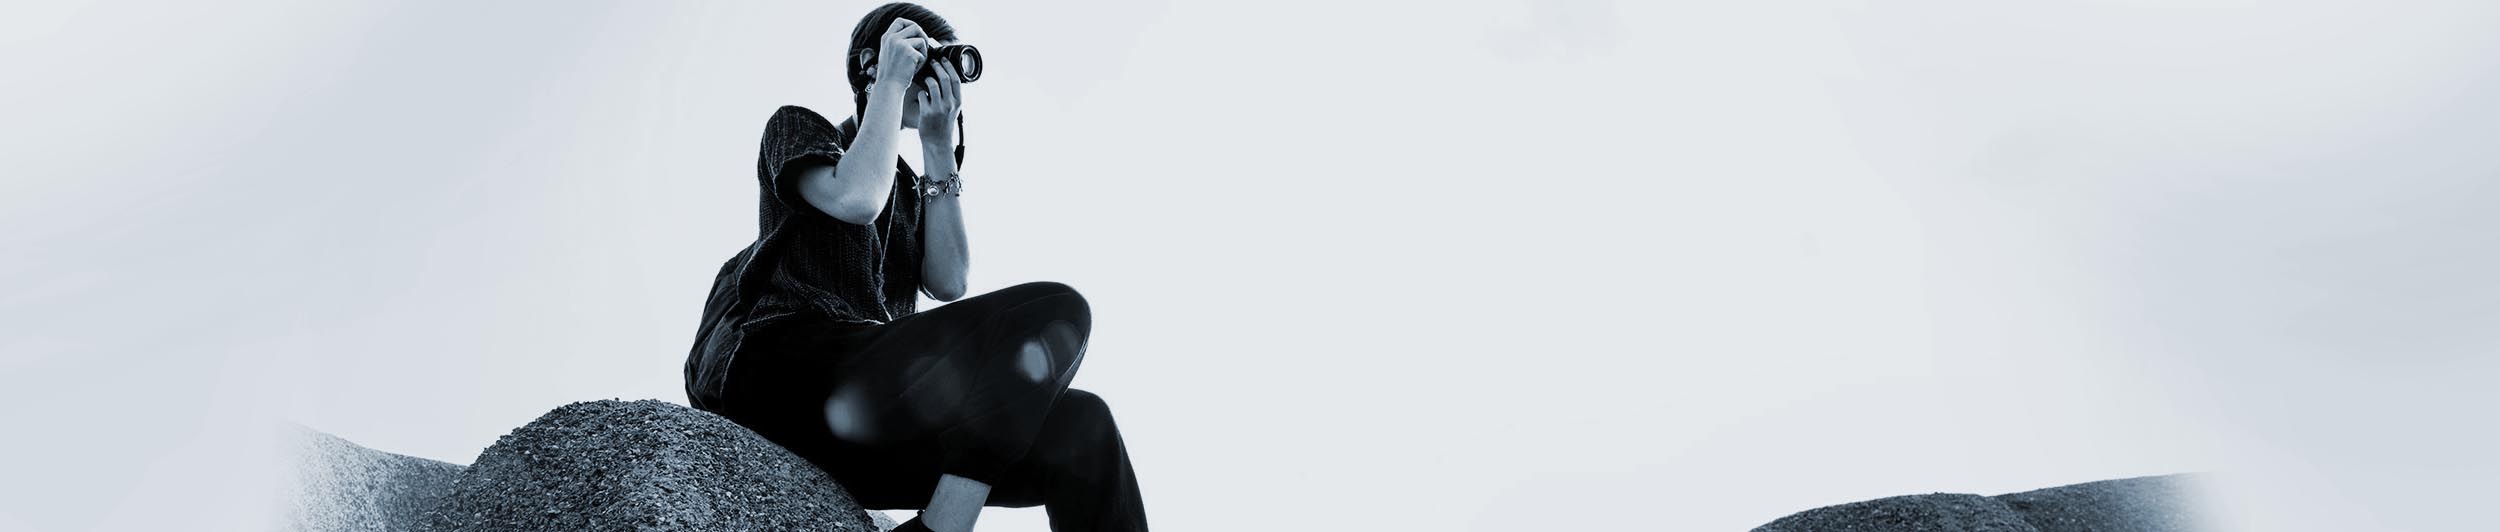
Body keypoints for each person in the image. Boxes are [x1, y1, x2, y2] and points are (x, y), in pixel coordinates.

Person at [682, 4, 1146, 532]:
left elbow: (949, 282)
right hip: (786, 378)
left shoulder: (907, 188)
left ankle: (941, 518)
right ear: (870, 62)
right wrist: (890, 82)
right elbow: (857, 197)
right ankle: (944, 526)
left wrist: (937, 147)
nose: (933, 73)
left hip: (864, 423)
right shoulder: (799, 126)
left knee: (1084, 424)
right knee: (1056, 309)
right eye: (923, 54)